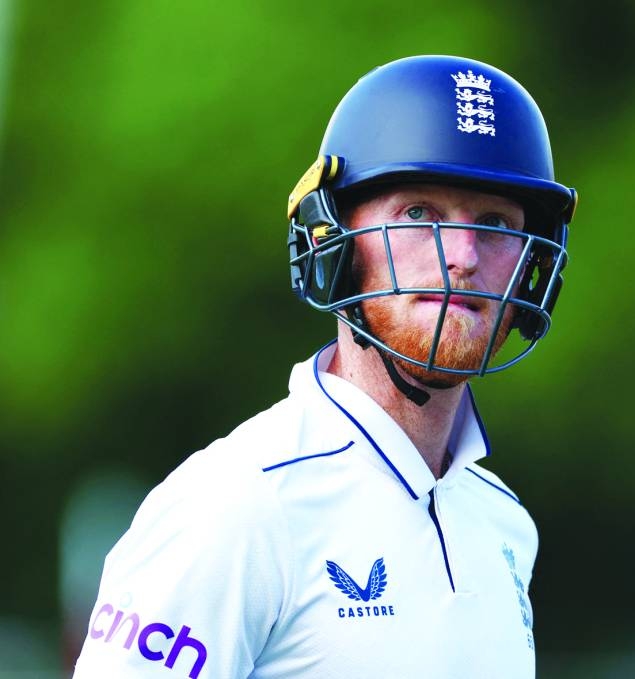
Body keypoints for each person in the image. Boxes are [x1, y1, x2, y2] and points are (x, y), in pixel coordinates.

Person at [73, 54, 577, 678]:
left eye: (496, 223)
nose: (463, 257)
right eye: (419, 213)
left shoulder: (504, 523)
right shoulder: (236, 504)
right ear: (330, 240)